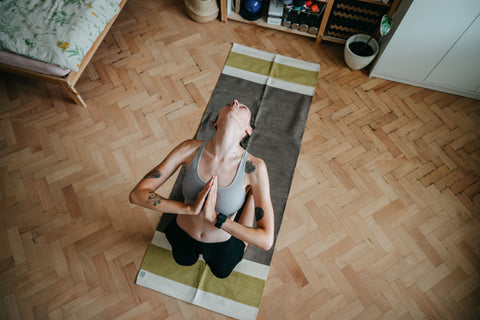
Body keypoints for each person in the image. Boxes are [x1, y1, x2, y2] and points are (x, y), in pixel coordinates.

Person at [129, 99, 274, 278]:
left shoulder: (255, 167)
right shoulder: (188, 148)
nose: (235, 102)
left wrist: (216, 219)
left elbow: (266, 240)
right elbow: (136, 195)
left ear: (248, 130)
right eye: (229, 103)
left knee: (222, 272)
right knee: (183, 260)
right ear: (216, 122)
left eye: (243, 106)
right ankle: (248, 195)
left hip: (224, 240)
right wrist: (188, 208)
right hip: (182, 231)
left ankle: (251, 197)